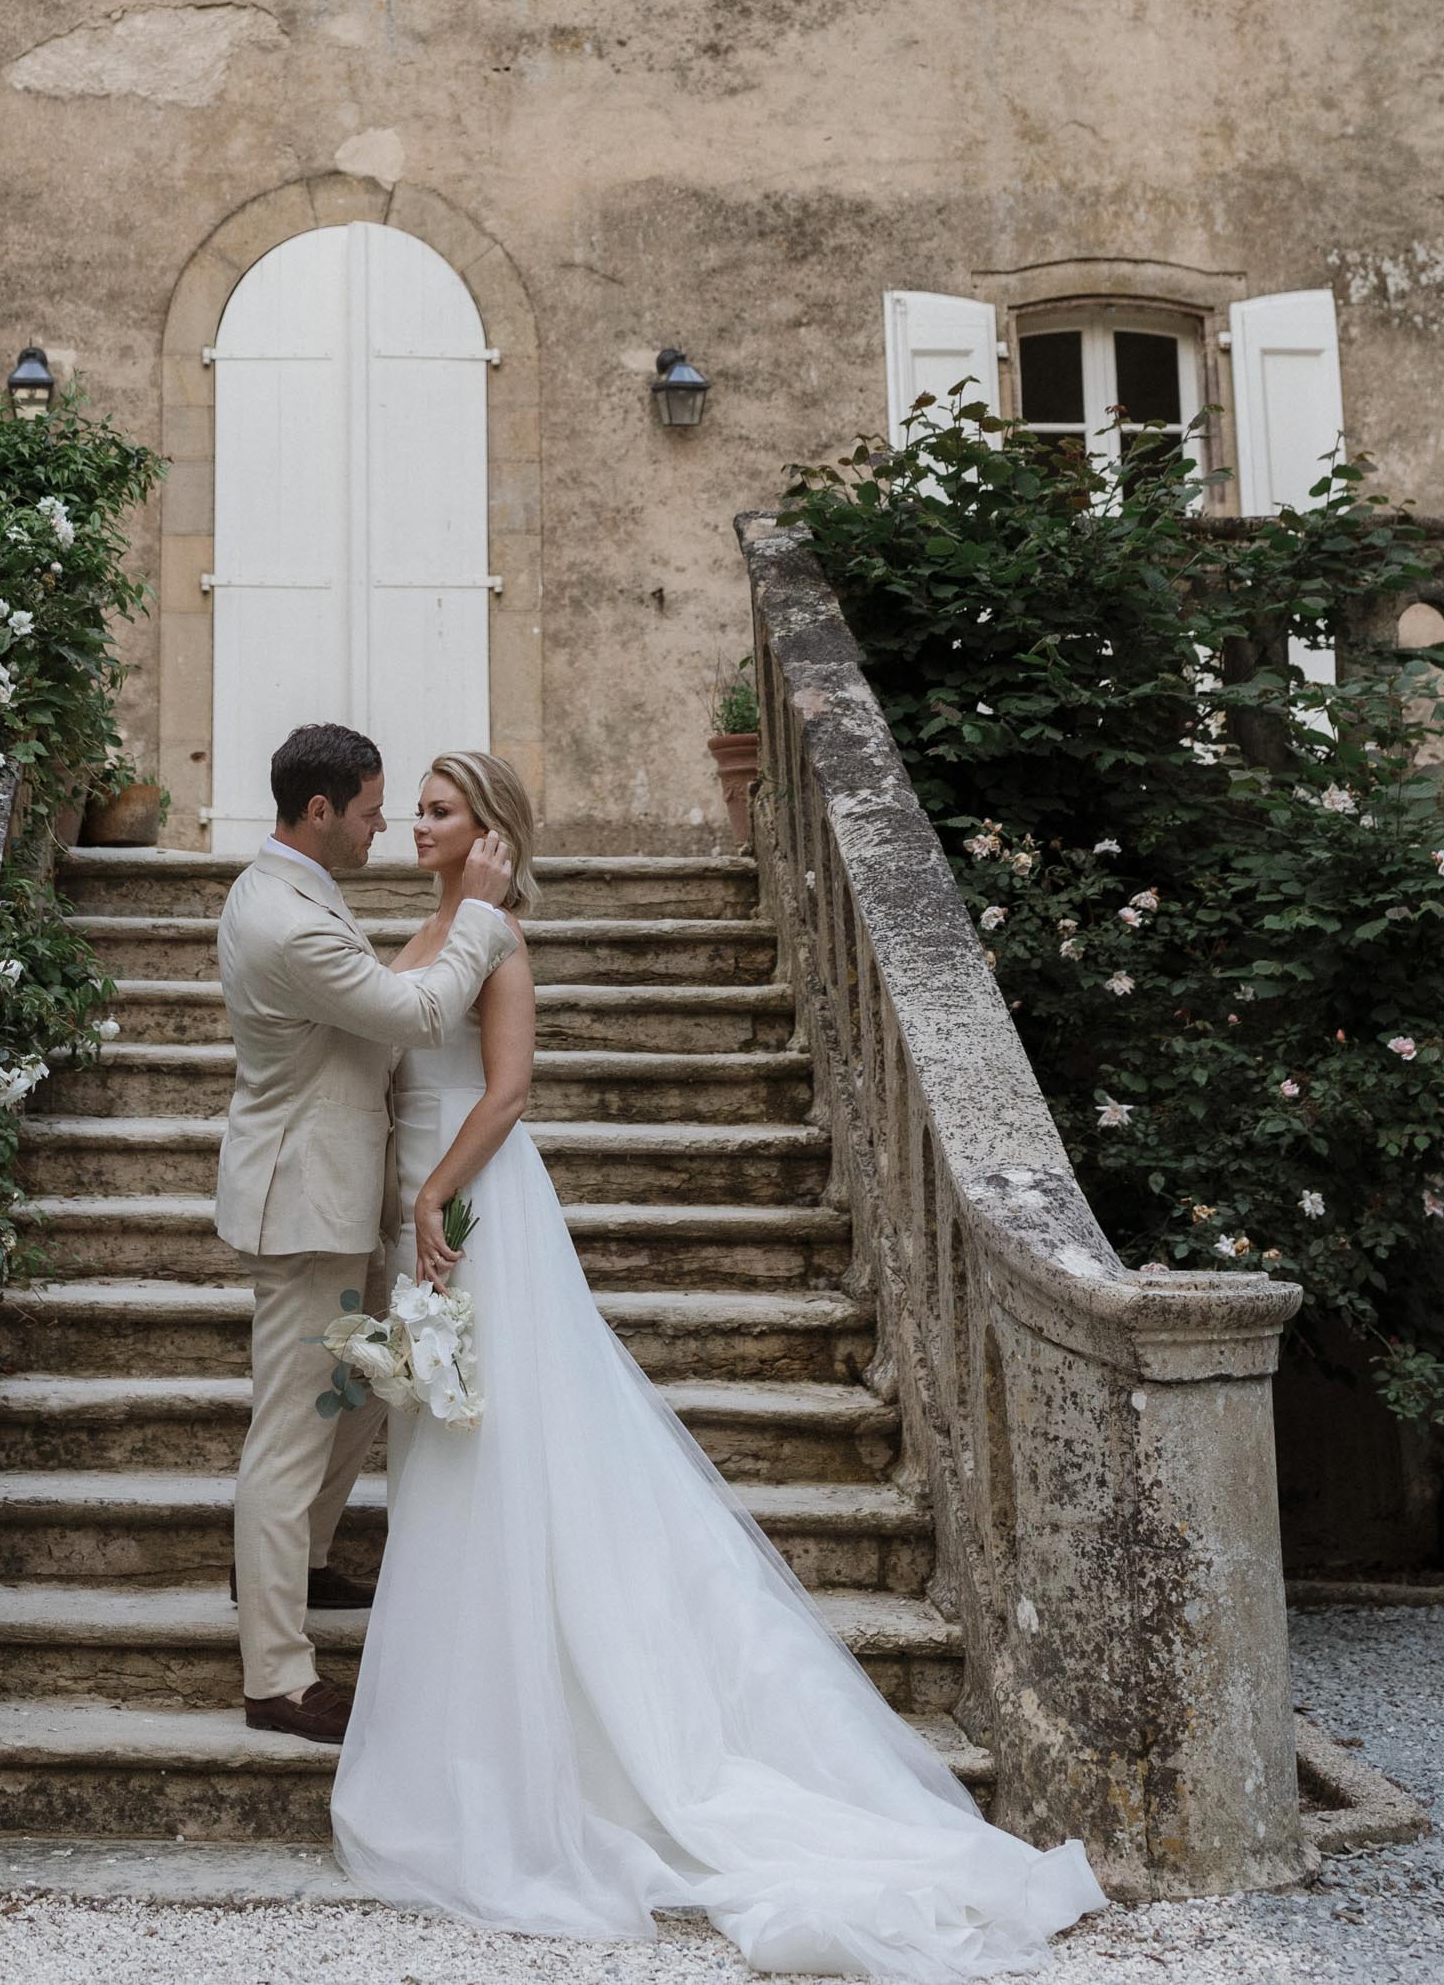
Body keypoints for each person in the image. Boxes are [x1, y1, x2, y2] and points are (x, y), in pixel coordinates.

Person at [330, 749, 1109, 1979]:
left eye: (437, 810)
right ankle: (467, 1726)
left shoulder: (502, 943)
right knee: (444, 1438)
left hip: (472, 1202)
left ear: (488, 833)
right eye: (416, 809)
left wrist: (429, 1191)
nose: (416, 825)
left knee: (500, 1436)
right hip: (418, 1203)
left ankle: (565, 1743)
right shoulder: (428, 929)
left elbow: (508, 1090)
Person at [214, 722, 516, 1743]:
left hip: (333, 1190)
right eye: (373, 806)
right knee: (293, 1428)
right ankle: (278, 1676)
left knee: (351, 1395)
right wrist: (476, 914)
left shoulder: (295, 888)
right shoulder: (287, 919)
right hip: (303, 1202)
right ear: (318, 811)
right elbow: (420, 1012)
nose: (385, 824)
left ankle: (295, 1562)